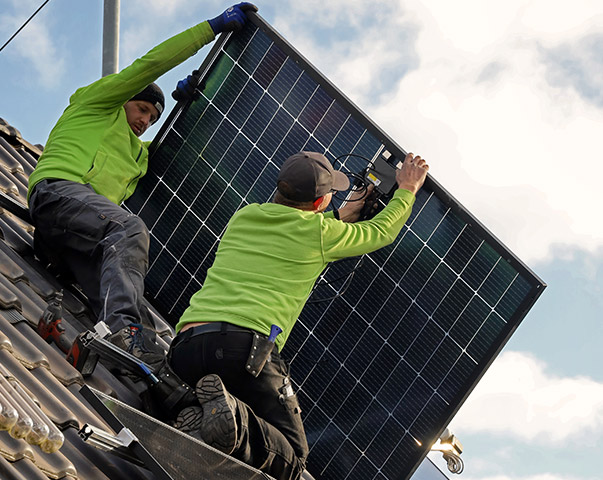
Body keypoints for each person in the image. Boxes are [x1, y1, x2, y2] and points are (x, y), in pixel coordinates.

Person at [167, 151, 429, 480]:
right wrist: (407, 189)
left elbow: (302, 227)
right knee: (292, 458)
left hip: (187, 346)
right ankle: (234, 418)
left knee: (217, 413)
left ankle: (184, 406)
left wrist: (345, 212)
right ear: (319, 204)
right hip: (242, 350)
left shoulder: (246, 216)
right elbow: (381, 232)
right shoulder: (321, 235)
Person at [26, 3, 258, 364]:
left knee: (143, 320)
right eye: (142, 110)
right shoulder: (97, 104)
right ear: (124, 101)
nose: (146, 121)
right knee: (130, 227)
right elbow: (149, 66)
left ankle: (152, 369)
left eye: (153, 118)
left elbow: (182, 149)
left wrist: (189, 107)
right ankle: (122, 332)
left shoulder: (139, 154)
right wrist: (210, 28)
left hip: (69, 243)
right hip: (57, 193)